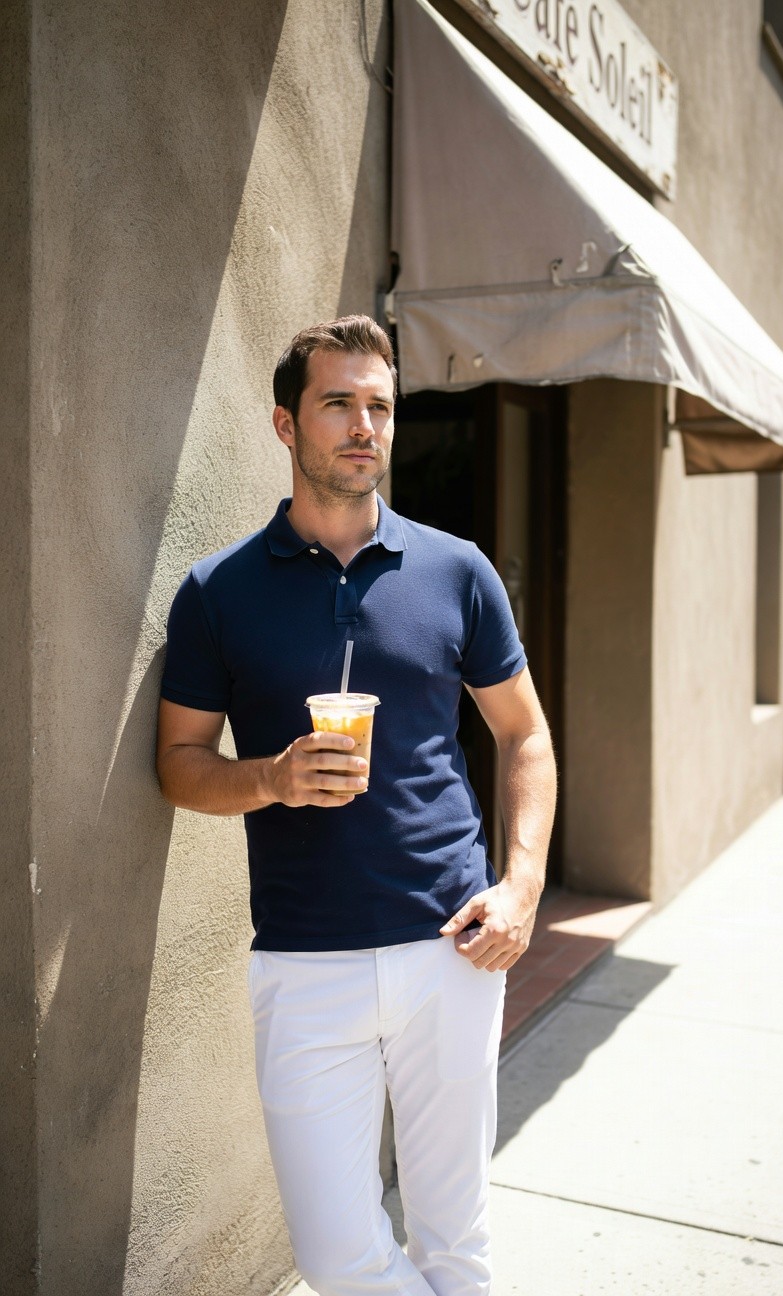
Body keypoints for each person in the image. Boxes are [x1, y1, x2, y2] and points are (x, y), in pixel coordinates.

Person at [156, 314, 557, 1296]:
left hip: (452, 944)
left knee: (454, 1238)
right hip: (304, 958)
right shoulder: (218, 593)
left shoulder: (457, 571)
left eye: (379, 405)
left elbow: (527, 737)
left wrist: (521, 888)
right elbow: (177, 762)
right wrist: (271, 779)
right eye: (338, 403)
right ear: (287, 424)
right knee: (337, 1252)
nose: (363, 425)